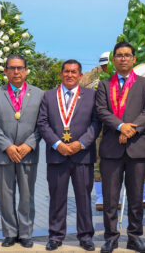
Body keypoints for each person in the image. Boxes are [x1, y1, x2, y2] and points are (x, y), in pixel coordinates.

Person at [95, 41, 145, 253]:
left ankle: (134, 237)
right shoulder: (104, 84)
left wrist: (131, 129)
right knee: (110, 198)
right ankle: (111, 237)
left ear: (134, 59)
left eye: (127, 55)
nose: (123, 58)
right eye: (119, 55)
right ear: (113, 59)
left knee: (136, 197)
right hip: (112, 149)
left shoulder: (144, 84)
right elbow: (101, 110)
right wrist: (121, 126)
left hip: (137, 148)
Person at [38, 59, 101, 251]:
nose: (70, 75)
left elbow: (96, 123)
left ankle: (85, 236)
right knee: (57, 197)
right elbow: (42, 123)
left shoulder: (91, 96)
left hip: (82, 156)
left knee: (83, 197)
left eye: (74, 72)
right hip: (57, 156)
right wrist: (58, 144)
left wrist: (80, 144)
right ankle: (56, 236)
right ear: (61, 74)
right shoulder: (48, 96)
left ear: (80, 75)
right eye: (66, 71)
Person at [0, 54, 44, 248]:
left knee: (27, 195)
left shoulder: (39, 94)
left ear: (26, 70)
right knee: (6, 195)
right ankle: (10, 232)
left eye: (20, 68)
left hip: (28, 152)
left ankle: (26, 233)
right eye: (12, 68)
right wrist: (8, 146)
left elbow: (42, 123)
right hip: (4, 153)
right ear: (5, 71)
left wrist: (29, 144)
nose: (16, 72)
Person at [94, 51, 123, 211]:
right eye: (103, 64)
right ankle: (100, 196)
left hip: (117, 126)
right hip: (100, 125)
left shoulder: (119, 80)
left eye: (107, 64)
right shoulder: (96, 81)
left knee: (116, 164)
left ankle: (114, 196)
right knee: (98, 161)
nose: (106, 67)